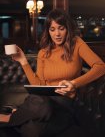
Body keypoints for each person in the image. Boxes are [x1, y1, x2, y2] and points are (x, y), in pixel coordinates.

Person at [0, 9, 105, 137]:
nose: (57, 34)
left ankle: (9, 117)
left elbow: (100, 66)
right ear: (48, 31)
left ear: (68, 29)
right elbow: (38, 85)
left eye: (61, 28)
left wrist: (74, 83)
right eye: (52, 29)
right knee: (35, 125)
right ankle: (21, 115)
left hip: (65, 104)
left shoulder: (77, 43)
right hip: (42, 102)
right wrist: (23, 61)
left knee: (37, 120)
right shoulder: (43, 52)